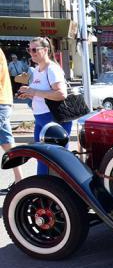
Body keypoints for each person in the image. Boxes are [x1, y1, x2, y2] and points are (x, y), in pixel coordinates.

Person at [16, 37, 72, 176]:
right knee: (42, 158)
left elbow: (61, 94)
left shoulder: (52, 69)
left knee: (56, 161)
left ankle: (60, 191)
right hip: (41, 120)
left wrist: (34, 91)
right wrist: (28, 93)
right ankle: (43, 191)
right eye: (29, 49)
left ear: (46, 50)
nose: (31, 53)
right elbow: (42, 93)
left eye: (35, 49)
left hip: (53, 119)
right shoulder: (36, 70)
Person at [0, 49, 23, 193]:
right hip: (3, 101)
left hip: (1, 102)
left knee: (7, 141)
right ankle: (20, 181)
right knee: (6, 141)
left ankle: (20, 181)